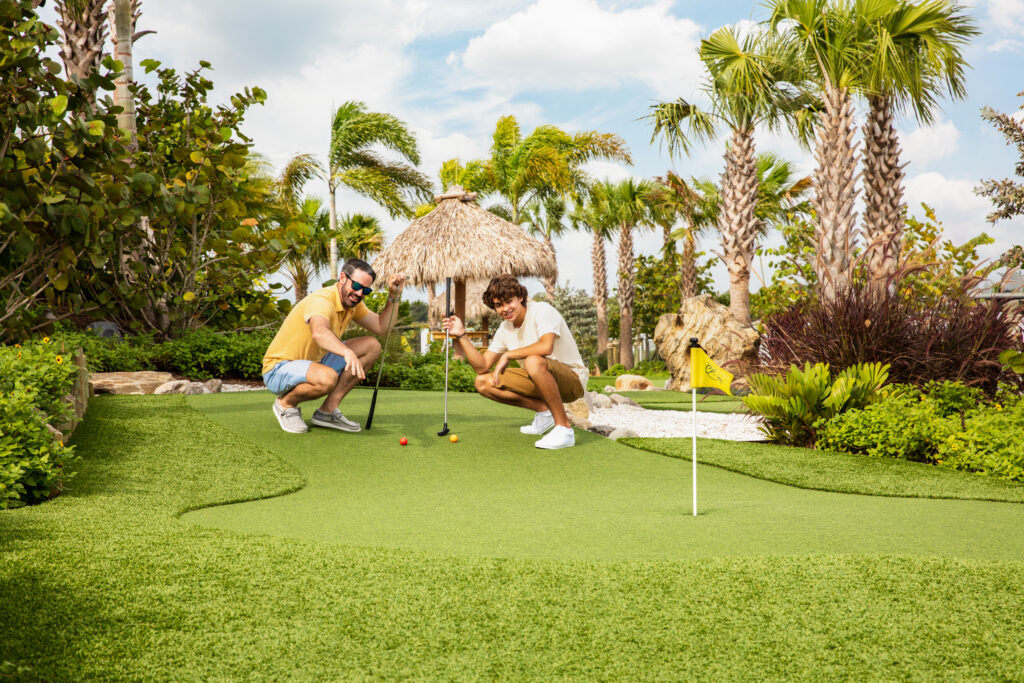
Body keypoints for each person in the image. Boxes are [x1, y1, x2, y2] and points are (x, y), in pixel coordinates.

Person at [443, 275, 587, 449]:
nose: (505, 309)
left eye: (509, 301)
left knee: (533, 361)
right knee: (482, 382)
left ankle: (564, 429)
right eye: (498, 305)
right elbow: (482, 366)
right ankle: (544, 410)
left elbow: (546, 346)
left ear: (520, 297)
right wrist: (461, 334)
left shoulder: (542, 310)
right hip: (540, 380)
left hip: (572, 381)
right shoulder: (505, 329)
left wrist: (508, 355)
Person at [262, 258, 405, 434]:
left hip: (314, 364)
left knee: (372, 346)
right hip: (278, 369)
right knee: (327, 378)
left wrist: (394, 297)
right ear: (343, 278)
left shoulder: (352, 304)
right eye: (357, 286)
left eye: (366, 290)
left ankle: (327, 411)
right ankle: (285, 405)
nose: (360, 294)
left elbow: (383, 328)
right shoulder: (322, 300)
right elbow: (319, 332)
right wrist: (347, 353)